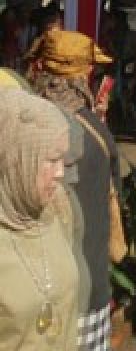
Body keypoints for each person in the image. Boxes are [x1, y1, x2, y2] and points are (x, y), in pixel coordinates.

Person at [27, 29, 118, 351]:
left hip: (43, 291)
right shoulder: (88, 130)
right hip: (85, 284)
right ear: (85, 74)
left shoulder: (31, 129)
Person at [0, 87, 78, 350]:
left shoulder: (56, 209)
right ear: (16, 160)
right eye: (51, 160)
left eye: (62, 160)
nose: (59, 174)